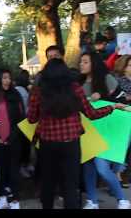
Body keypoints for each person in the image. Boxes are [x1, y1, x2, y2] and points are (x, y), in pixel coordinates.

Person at [27, 58, 123, 209]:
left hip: (47, 144)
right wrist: (111, 108)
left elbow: (32, 119)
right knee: (70, 186)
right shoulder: (75, 88)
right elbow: (91, 114)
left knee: (48, 184)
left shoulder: (39, 91)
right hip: (71, 144)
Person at [79, 52, 131, 209]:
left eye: (85, 62)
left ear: (93, 64)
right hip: (86, 131)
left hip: (106, 131)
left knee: (101, 168)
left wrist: (102, 97)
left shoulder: (107, 79)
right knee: (88, 168)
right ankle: (92, 201)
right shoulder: (78, 83)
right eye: (81, 61)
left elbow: (121, 101)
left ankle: (122, 200)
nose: (81, 64)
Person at [0, 69, 25, 209]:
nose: (7, 80)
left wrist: (11, 137)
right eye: (4, 78)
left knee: (14, 170)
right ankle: (1, 198)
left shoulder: (15, 95)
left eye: (9, 77)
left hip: (13, 139)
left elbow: (21, 119)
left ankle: (15, 200)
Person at [15, 69, 34, 179]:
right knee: (25, 146)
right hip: (25, 121)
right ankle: (25, 166)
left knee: (24, 146)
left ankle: (24, 166)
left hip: (20, 122)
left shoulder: (16, 90)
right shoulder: (24, 91)